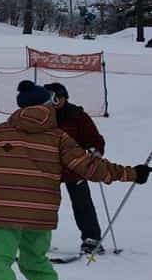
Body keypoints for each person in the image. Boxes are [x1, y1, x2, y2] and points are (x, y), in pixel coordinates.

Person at [0, 81, 149, 280]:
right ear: (48, 105)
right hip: (41, 214)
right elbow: (90, 166)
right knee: (34, 261)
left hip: (5, 213)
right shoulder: (59, 138)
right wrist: (131, 174)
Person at [43, 83, 107, 254]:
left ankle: (91, 238)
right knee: (42, 204)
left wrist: (95, 150)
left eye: (58, 98)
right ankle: (37, 240)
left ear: (65, 98)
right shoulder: (41, 115)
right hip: (47, 167)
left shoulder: (77, 116)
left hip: (74, 168)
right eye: (51, 98)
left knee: (82, 203)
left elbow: (94, 138)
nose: (54, 102)